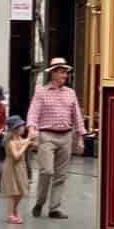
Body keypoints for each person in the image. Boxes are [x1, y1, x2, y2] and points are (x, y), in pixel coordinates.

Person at [27, 57, 86, 219]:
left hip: (66, 136)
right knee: (47, 171)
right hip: (47, 135)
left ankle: (54, 208)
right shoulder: (41, 92)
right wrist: (32, 128)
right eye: (61, 72)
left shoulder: (70, 93)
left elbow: (77, 116)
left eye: (65, 72)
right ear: (52, 73)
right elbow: (33, 112)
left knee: (61, 175)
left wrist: (80, 137)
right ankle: (40, 202)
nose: (64, 75)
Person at [1, 115, 36, 224]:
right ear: (15, 129)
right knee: (13, 191)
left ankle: (14, 211)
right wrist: (26, 145)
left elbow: (31, 143)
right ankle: (11, 214)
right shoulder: (10, 142)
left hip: (20, 168)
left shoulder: (21, 139)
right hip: (12, 168)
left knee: (21, 190)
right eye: (21, 127)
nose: (23, 128)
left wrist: (31, 141)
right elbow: (16, 156)